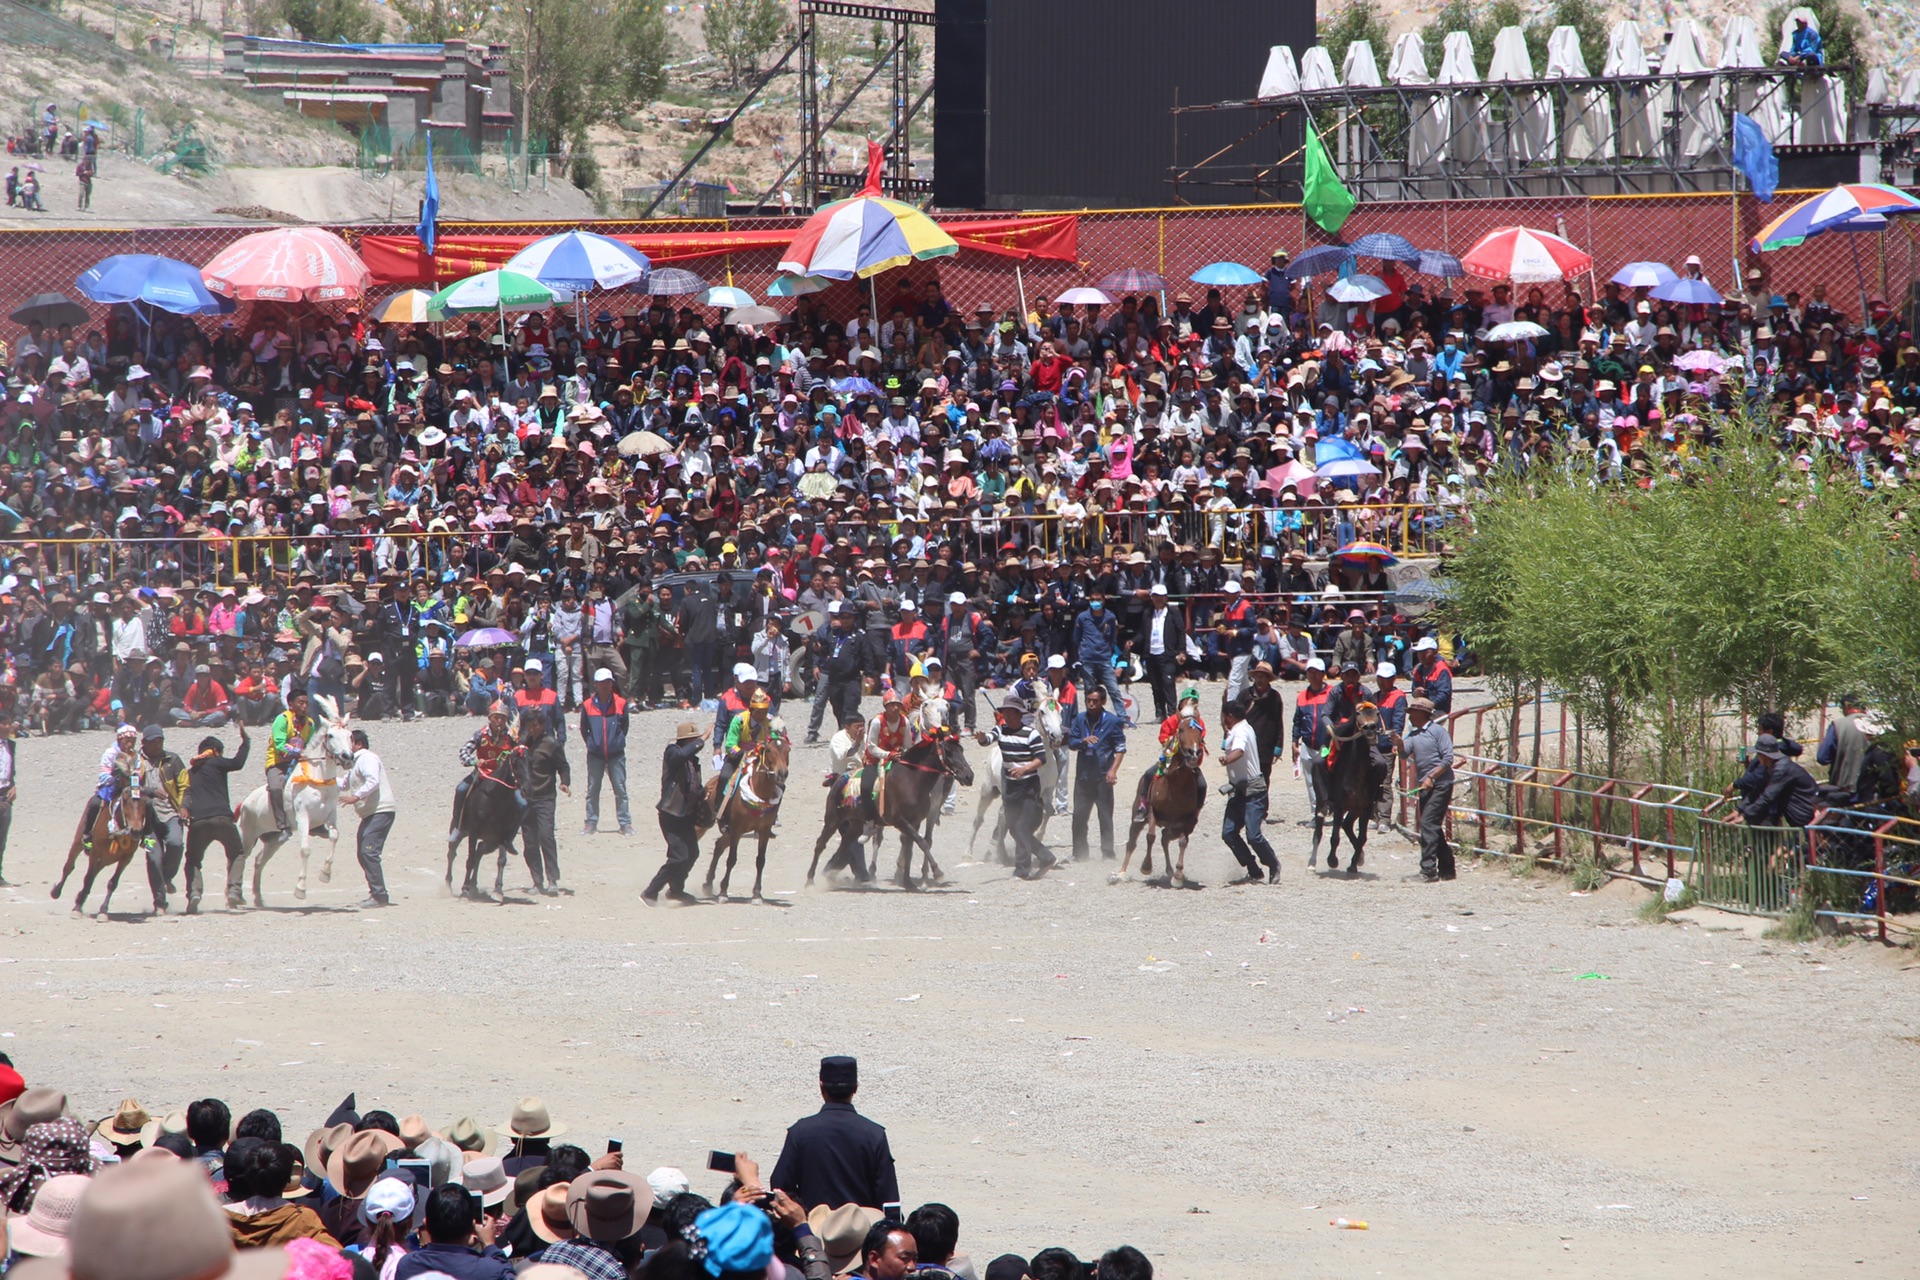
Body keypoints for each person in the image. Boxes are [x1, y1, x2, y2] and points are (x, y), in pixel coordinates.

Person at [769, 1055, 900, 1212]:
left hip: (812, 1228)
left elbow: (780, 1186)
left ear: (821, 1087)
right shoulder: (874, 1134)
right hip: (858, 1231)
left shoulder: (800, 1131)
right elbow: (888, 1198)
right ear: (856, 1088)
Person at [976, 697, 1053, 879]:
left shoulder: (1031, 734)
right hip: (1010, 787)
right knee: (1013, 827)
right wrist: (981, 739)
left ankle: (1022, 869)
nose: (1007, 716)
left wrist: (1024, 768)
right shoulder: (1001, 731)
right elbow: (988, 739)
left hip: (1028, 786)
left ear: (1019, 714)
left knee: (1022, 826)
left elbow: (1041, 759)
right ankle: (1045, 856)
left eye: (1011, 713)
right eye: (1005, 713)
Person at [183, 723, 249, 912]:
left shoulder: (190, 772)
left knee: (193, 859)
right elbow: (238, 762)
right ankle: (234, 891)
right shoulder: (216, 762)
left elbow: (185, 795)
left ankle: (194, 893)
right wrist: (246, 741)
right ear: (216, 752)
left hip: (198, 822)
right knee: (237, 853)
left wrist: (185, 809)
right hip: (222, 819)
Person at [1219, 696, 1280, 883]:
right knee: (1228, 833)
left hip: (1253, 792)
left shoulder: (1241, 732)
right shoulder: (1239, 729)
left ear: (1228, 716)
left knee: (1253, 835)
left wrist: (1227, 760)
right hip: (1238, 791)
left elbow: (1239, 751)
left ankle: (1273, 864)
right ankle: (1253, 867)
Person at [1396, 696, 1456, 881]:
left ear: (1421, 713)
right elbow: (1404, 752)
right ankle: (1447, 867)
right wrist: (1397, 743)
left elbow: (1448, 758)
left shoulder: (1438, 732)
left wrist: (1431, 777)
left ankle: (1428, 871)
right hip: (1426, 785)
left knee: (1428, 823)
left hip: (1440, 784)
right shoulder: (1413, 735)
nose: (1410, 716)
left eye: (1412, 712)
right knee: (1432, 826)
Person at [645, 720, 704, 907]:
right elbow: (681, 755)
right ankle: (650, 892)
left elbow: (694, 788)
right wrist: (702, 740)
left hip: (685, 815)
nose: (694, 743)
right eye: (691, 740)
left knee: (692, 853)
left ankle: (676, 890)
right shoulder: (672, 752)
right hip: (671, 814)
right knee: (679, 857)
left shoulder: (693, 763)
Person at [1065, 684, 1126, 861]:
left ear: (1103, 702)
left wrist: (1113, 770)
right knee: (1079, 816)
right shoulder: (1080, 719)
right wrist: (1082, 741)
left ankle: (1107, 853)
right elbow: (1071, 742)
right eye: (1088, 701)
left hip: (1103, 777)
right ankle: (1079, 853)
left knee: (1105, 816)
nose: (1091, 704)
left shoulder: (1113, 722)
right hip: (1083, 776)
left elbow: (1121, 748)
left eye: (1095, 701)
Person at [518, 708, 570, 895]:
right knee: (529, 841)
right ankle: (536, 880)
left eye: (535, 725)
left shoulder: (551, 744)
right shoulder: (523, 742)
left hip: (545, 797)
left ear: (542, 725)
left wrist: (564, 783)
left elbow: (563, 766)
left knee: (546, 837)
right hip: (525, 799)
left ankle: (552, 879)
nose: (531, 729)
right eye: (529, 725)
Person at [342, 728, 396, 908]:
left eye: (349, 741)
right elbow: (342, 784)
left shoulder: (367, 758)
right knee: (362, 853)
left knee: (369, 852)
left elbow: (373, 781)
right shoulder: (355, 764)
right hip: (370, 813)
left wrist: (356, 797)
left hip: (380, 810)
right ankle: (376, 892)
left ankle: (380, 896)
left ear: (359, 744)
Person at [136, 724, 188, 913]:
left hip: (171, 815)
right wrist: (148, 791)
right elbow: (131, 788)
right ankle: (160, 903)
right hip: (147, 822)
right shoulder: (136, 762)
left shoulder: (172, 760)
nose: (157, 745)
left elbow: (185, 785)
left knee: (176, 844)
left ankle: (167, 877)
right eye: (153, 742)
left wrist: (183, 806)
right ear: (144, 743)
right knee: (153, 858)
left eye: (160, 741)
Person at [579, 667, 632, 836]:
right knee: (593, 789)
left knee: (620, 789)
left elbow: (625, 727)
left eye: (608, 682)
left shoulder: (621, 703)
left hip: (616, 755)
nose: (605, 686)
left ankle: (625, 823)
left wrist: (616, 742)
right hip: (595, 755)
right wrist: (592, 743)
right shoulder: (587, 705)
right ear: (596, 684)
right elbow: (584, 728)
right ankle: (591, 822)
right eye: (602, 683)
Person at [1735, 733, 1819, 828]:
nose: (1757, 757)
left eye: (1758, 753)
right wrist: (1739, 810)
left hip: (1805, 817)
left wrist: (1745, 815)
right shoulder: (1771, 768)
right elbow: (1757, 789)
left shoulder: (1782, 769)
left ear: (1765, 755)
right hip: (1798, 818)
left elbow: (1767, 796)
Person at [265, 689, 312, 839]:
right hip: (278, 763)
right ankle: (282, 826)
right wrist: (298, 752)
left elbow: (310, 745)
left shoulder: (310, 724)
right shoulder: (282, 719)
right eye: (301, 703)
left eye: (306, 703)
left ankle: (316, 823)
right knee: (276, 788)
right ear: (291, 704)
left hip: (299, 763)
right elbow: (279, 744)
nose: (304, 706)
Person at [1292, 657, 1333, 824]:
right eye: (1310, 672)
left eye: (1316, 672)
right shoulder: (1302, 696)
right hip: (1308, 745)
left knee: (1331, 779)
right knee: (1311, 781)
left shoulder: (1333, 693)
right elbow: (1297, 721)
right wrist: (1294, 741)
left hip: (1328, 745)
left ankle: (1336, 811)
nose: (1313, 676)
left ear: (1323, 674)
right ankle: (1316, 814)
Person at [1136, 582, 1184, 721]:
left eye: (1161, 596)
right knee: (1156, 685)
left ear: (1166, 597)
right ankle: (1160, 713)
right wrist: (1133, 641)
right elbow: (1142, 633)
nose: (1158, 599)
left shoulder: (1173, 612)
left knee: (1168, 683)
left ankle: (1172, 713)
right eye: (1156, 596)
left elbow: (1181, 632)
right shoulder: (1147, 613)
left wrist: (1182, 651)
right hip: (1151, 653)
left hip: (1167, 654)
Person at [1816, 697, 1871, 796]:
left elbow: (1823, 758)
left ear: (1846, 707)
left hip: (1844, 788)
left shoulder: (1838, 725)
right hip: (1873, 789)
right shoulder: (1879, 725)